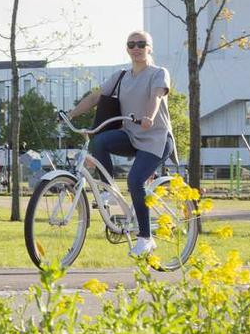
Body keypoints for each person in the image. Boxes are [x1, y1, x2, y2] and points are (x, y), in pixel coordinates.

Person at [66, 30, 175, 258]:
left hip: (156, 139)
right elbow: (96, 97)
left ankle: (145, 238)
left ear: (149, 48)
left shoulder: (158, 73)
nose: (136, 48)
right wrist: (72, 114)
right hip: (132, 136)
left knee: (135, 181)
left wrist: (149, 117)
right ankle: (107, 190)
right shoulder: (121, 76)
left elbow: (156, 97)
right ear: (127, 48)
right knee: (100, 141)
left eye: (141, 44)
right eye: (131, 44)